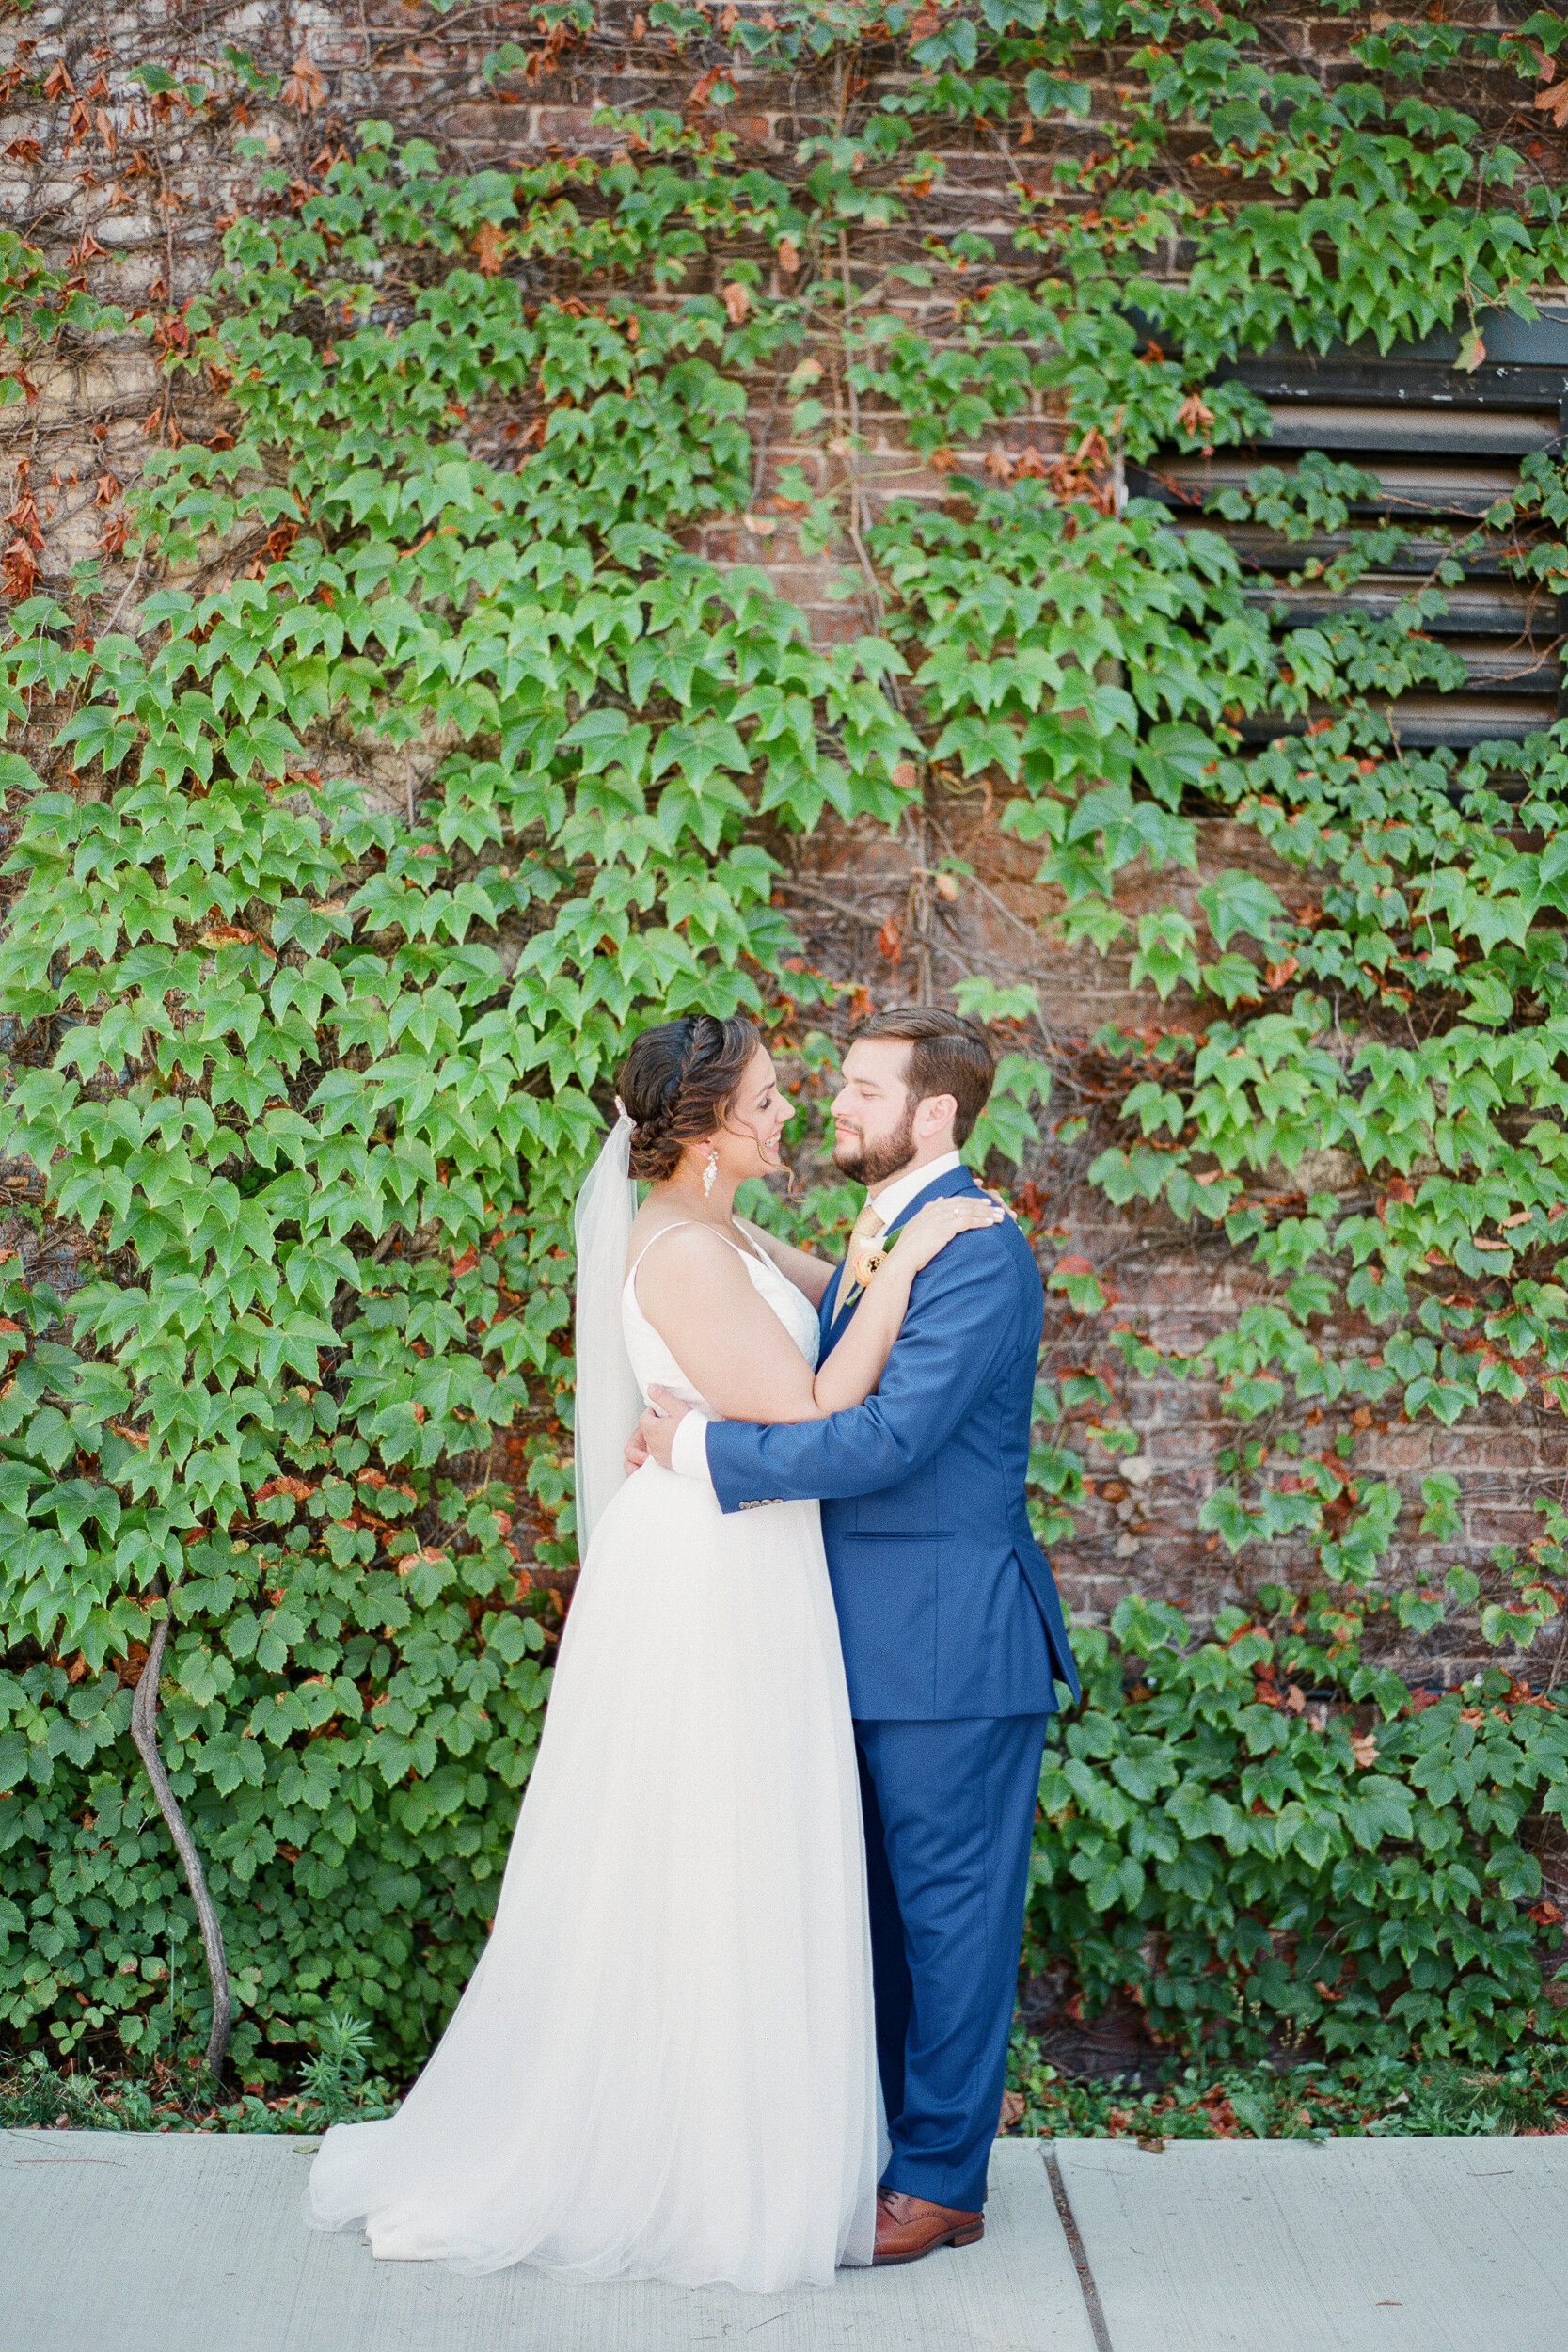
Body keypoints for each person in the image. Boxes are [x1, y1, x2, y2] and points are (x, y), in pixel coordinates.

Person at [305, 1010, 1001, 2292]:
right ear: (709, 1127)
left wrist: (893, 1244)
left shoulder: (721, 1227)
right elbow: (809, 1404)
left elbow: (823, 1301)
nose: (795, 1112)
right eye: (776, 1098)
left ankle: (751, 2145)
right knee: (705, 1855)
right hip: (709, 1578)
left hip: (752, 1565)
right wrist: (909, 1275)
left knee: (742, 1856)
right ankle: (686, 2165)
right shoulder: (679, 1251)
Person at [632, 1006, 1079, 2267]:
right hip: (853, 1638)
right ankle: (875, 2148)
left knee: (950, 1926)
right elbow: (841, 1323)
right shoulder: (894, 1224)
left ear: (933, 1115)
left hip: (948, 1645)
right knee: (870, 1922)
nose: (833, 1105)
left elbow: (882, 1441)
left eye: (861, 1091)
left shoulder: (979, 1249)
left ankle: (939, 2182)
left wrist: (694, 1446)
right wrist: (732, 1232)